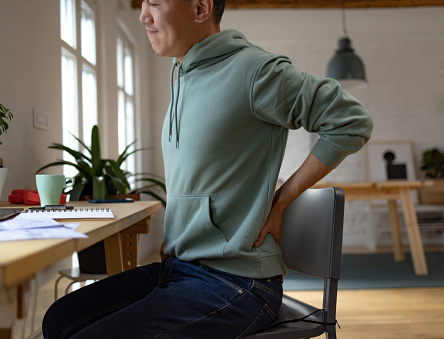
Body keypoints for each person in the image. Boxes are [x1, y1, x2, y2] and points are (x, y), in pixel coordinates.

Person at [42, 0, 373, 338]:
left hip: (238, 283)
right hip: (180, 270)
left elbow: (351, 121)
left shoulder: (255, 71)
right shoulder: (182, 72)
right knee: (58, 319)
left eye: (155, 3)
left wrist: (283, 198)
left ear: (200, 8)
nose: (143, 15)